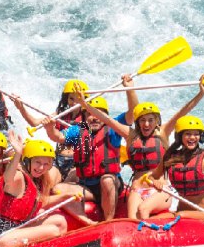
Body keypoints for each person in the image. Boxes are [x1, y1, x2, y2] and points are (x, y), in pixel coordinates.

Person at [79, 75, 204, 219]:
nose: (146, 124)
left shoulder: (163, 132)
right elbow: (106, 119)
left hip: (159, 188)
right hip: (137, 189)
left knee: (143, 210)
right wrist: (85, 105)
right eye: (143, 120)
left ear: (157, 120)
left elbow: (182, 112)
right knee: (132, 221)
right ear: (138, 122)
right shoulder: (130, 135)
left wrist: (201, 93)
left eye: (150, 120)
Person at [42, 75, 138, 222]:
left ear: (105, 116)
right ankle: (86, 221)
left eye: (98, 114)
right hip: (87, 186)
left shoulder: (113, 127)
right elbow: (58, 137)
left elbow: (133, 113)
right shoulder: (78, 130)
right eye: (90, 114)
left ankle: (108, 222)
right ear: (85, 117)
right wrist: (49, 128)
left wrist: (129, 89)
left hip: (110, 182)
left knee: (106, 180)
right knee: (57, 190)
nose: (94, 118)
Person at [0, 133, 73, 247]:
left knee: (60, 221)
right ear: (27, 161)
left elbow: (40, 202)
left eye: (46, 164)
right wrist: (17, 154)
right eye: (37, 162)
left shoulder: (37, 180)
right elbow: (8, 179)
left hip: (16, 228)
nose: (41, 167)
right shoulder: (19, 176)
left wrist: (64, 197)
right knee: (53, 230)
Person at [149, 115, 204, 225]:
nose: (192, 137)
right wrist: (156, 182)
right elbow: (152, 177)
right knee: (151, 220)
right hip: (180, 212)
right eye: (188, 134)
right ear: (180, 136)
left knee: (180, 215)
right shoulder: (170, 157)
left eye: (196, 134)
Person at [12, 79, 89, 182]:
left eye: (78, 99)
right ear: (66, 98)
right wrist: (21, 108)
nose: (74, 103)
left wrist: (51, 129)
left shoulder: (88, 118)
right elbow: (34, 122)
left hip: (75, 163)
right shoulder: (61, 114)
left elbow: (60, 137)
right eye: (71, 98)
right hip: (58, 159)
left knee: (63, 186)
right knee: (49, 184)